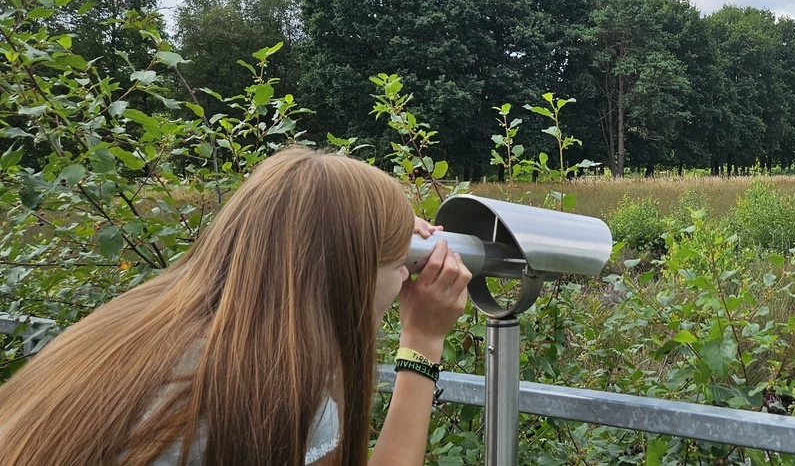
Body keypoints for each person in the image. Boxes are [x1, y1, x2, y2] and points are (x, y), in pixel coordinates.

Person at [0, 147, 474, 466]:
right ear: (347, 273)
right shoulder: (271, 394)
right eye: (399, 265)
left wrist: (371, 229)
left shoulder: (137, 320)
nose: (404, 276)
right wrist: (424, 342)